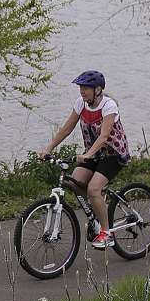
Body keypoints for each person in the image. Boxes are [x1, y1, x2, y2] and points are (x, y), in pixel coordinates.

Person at [40, 69, 132, 249]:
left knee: (93, 189)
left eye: (86, 88)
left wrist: (88, 155)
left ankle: (106, 233)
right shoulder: (80, 104)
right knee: (75, 181)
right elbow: (66, 129)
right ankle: (96, 212)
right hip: (93, 152)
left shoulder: (108, 106)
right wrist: (48, 148)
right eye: (81, 88)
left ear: (97, 90)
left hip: (113, 154)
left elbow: (104, 136)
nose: (82, 91)